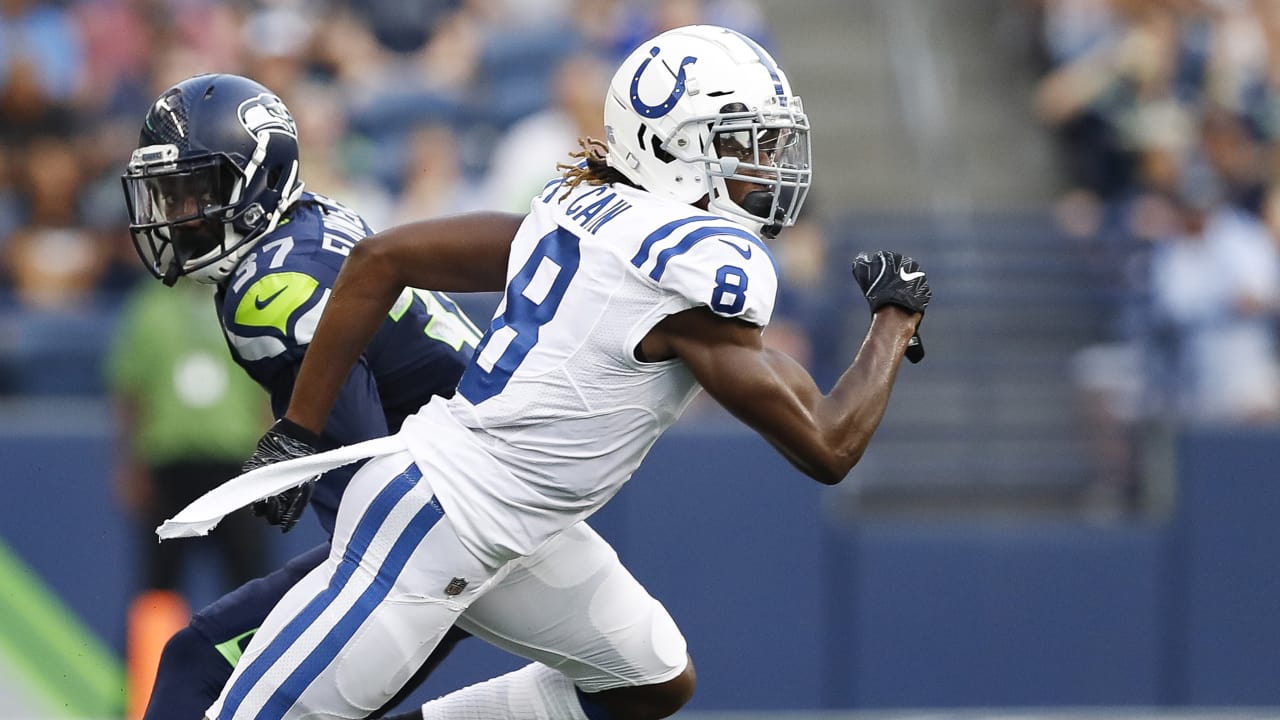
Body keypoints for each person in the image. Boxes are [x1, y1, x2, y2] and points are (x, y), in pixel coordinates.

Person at [175, 25, 930, 720]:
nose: (764, 164)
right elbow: (829, 447)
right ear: (671, 148)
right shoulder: (681, 272)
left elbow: (381, 259)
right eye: (741, 142)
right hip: (438, 517)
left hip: (522, 527)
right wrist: (894, 321)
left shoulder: (591, 214)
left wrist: (300, 431)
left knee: (650, 681)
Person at [119, 72, 487, 719]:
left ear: (257, 182)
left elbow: (371, 476)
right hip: (488, 499)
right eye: (168, 195)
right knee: (650, 681)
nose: (175, 215)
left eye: (192, 193)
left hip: (439, 523)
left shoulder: (269, 289)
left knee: (198, 663)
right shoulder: (319, 224)